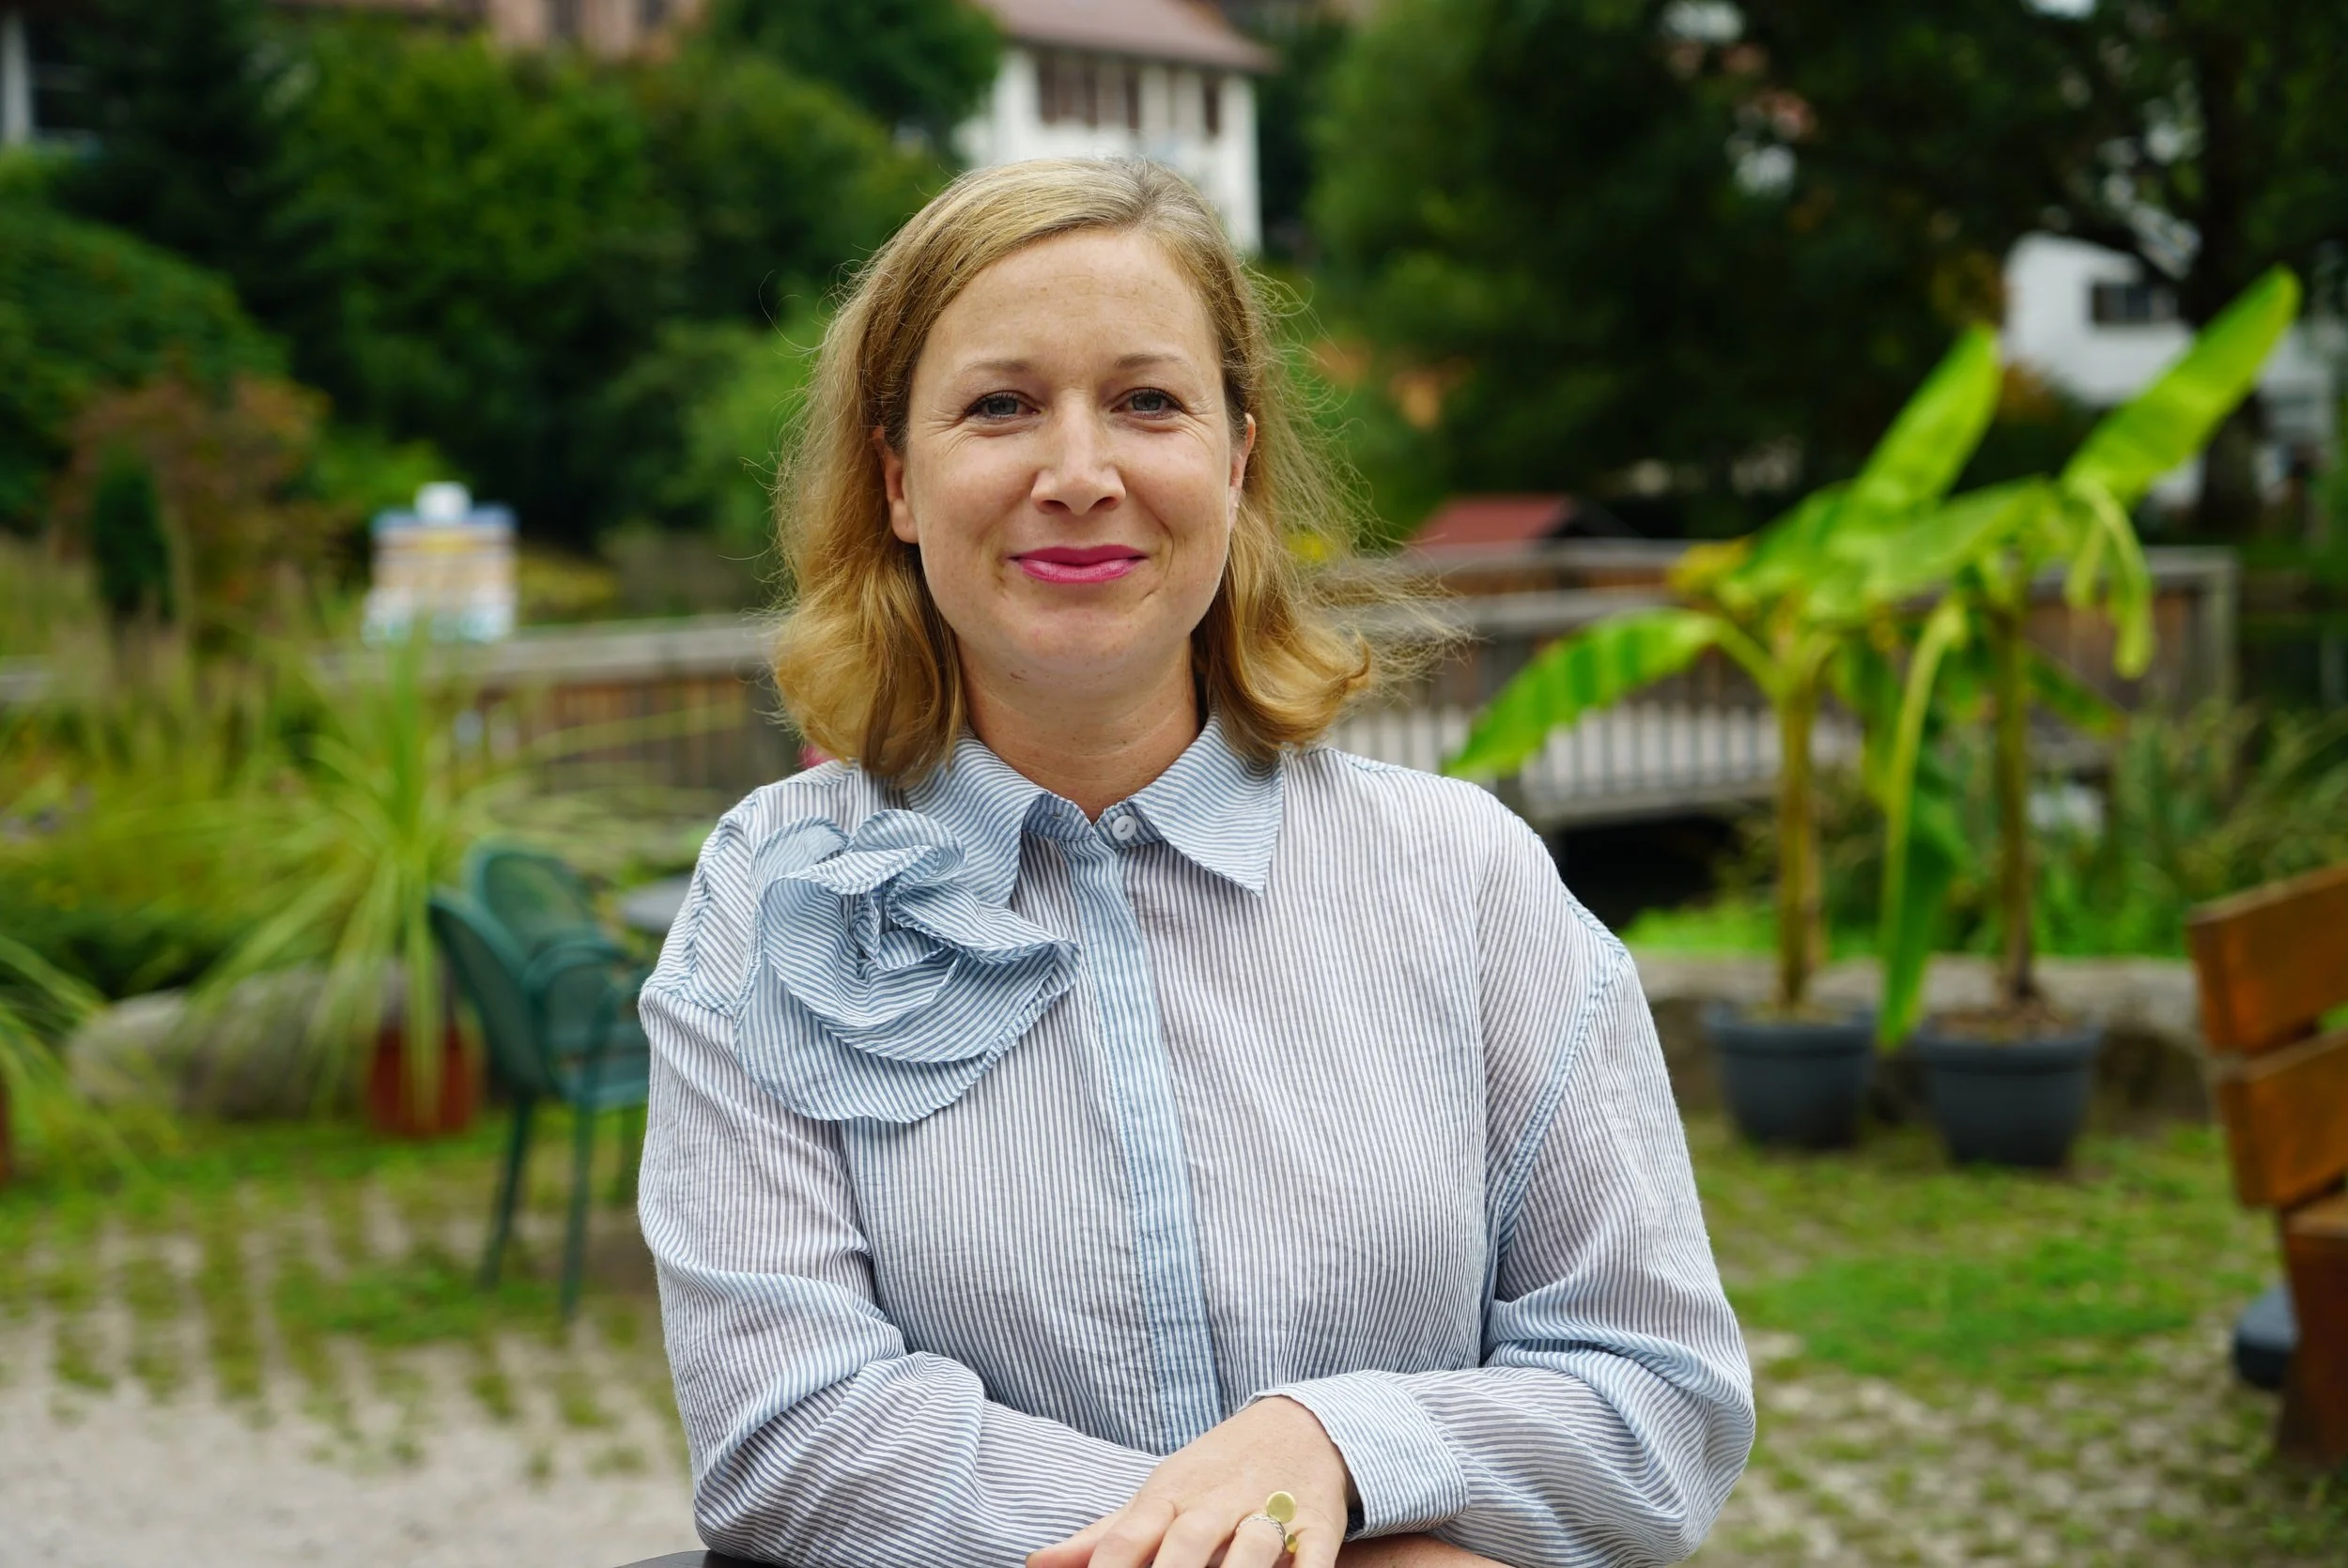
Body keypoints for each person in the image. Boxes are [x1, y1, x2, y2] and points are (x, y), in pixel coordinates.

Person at [638, 159, 1753, 1568]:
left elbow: (1661, 1398)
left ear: (1234, 462)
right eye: (1000, 405)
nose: (1081, 472)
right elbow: (788, 1435)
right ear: (897, 481)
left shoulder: (1465, 880)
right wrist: (1293, 1548)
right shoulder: (767, 895)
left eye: (1147, 401)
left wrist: (1335, 1443)